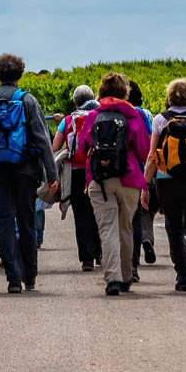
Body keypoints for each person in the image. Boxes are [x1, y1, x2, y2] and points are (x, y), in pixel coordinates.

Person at [0, 54, 58, 293]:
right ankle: (30, 276)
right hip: (27, 171)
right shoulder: (28, 101)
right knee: (27, 221)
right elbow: (42, 139)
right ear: (20, 74)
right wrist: (52, 174)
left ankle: (12, 278)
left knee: (4, 223)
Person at [74, 72, 151, 296]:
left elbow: (82, 149)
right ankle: (127, 274)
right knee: (126, 227)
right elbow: (144, 151)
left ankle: (112, 278)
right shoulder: (133, 116)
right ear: (124, 91)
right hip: (128, 179)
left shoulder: (93, 116)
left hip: (99, 179)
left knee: (107, 228)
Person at [142, 77, 186, 292]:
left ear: (169, 96)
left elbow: (152, 156)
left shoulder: (161, 121)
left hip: (167, 182)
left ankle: (183, 275)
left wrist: (145, 186)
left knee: (174, 228)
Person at [52, 85, 102, 270]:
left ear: (75, 103)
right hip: (97, 170)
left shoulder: (68, 120)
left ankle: (87, 259)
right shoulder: (99, 116)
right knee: (100, 212)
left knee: (81, 215)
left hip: (76, 172)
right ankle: (101, 253)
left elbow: (55, 147)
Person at [126, 80, 158, 279]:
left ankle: (122, 260)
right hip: (141, 171)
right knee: (142, 213)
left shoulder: (114, 112)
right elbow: (149, 144)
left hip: (116, 172)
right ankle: (138, 254)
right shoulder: (145, 114)